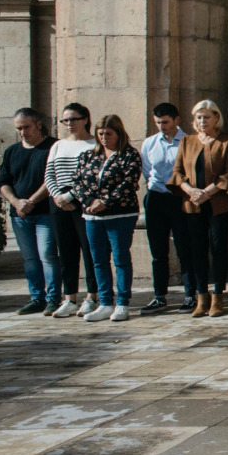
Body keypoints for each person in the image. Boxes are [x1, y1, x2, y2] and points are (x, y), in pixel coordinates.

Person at [170, 99, 228, 317]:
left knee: (218, 248)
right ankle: (202, 296)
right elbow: (177, 171)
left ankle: (218, 296)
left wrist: (206, 192)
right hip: (192, 204)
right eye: (199, 117)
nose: (202, 121)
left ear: (216, 118)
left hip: (217, 203)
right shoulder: (186, 141)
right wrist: (191, 191)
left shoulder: (226, 141)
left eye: (207, 117)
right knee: (196, 250)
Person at [76, 114, 142, 322]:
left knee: (120, 258)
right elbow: (78, 180)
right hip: (92, 216)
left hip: (120, 214)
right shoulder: (88, 155)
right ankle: (105, 301)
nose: (104, 138)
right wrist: (89, 201)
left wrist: (104, 201)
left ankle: (122, 303)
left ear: (118, 133)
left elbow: (129, 183)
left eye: (109, 134)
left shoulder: (129, 155)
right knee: (98, 260)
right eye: (101, 134)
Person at [0, 107, 58, 315]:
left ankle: (53, 298)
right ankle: (37, 298)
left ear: (38, 125)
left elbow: (52, 178)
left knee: (47, 255)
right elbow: (3, 181)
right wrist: (16, 202)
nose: (22, 132)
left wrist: (31, 201)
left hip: (45, 212)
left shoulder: (52, 147)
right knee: (30, 258)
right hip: (20, 215)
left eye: (26, 127)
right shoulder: (12, 152)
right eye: (18, 128)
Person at [138, 102, 194, 314]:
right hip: (156, 198)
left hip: (180, 197)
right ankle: (159, 296)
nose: (162, 126)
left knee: (184, 248)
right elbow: (146, 171)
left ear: (176, 120)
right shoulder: (150, 143)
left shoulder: (188, 141)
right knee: (158, 251)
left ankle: (190, 294)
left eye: (166, 122)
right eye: (158, 123)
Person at [45, 102, 99, 319]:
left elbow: (92, 176)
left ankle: (92, 296)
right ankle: (69, 298)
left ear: (85, 119)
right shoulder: (58, 146)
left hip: (83, 201)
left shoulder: (94, 144)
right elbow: (49, 174)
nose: (69, 124)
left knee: (88, 250)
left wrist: (70, 196)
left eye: (73, 119)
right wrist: (58, 196)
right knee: (65, 252)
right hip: (58, 203)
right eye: (65, 120)